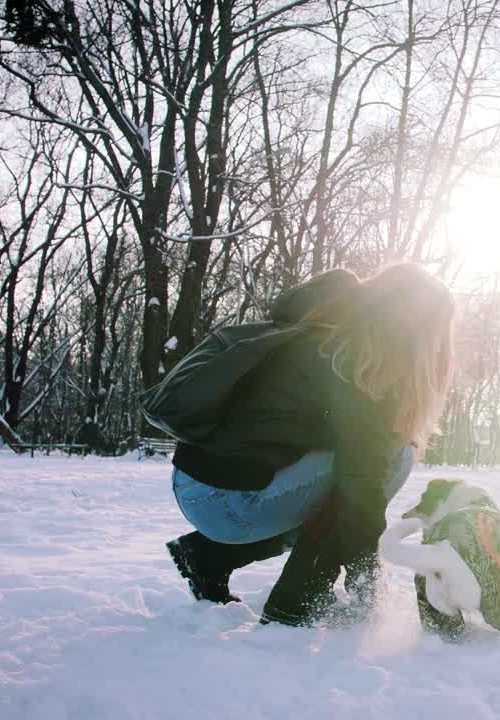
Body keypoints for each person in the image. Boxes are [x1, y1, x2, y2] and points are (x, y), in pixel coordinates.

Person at [162, 264, 455, 627]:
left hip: (194, 483)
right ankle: (294, 603)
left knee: (350, 477)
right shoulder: (360, 363)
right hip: (225, 500)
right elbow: (359, 488)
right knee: (392, 459)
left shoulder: (330, 330)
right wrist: (369, 586)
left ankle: (208, 557)